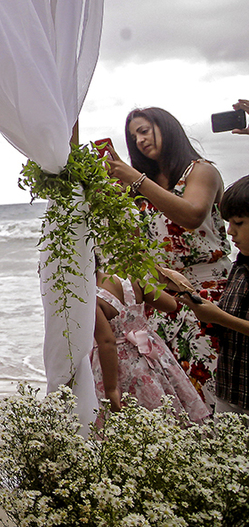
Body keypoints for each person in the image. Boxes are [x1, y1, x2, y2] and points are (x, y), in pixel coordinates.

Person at [105, 106, 230, 406]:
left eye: (144, 131)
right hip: (163, 302)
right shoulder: (142, 187)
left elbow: (192, 215)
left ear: (167, 128)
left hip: (209, 295)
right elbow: (135, 248)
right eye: (134, 137)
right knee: (175, 397)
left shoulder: (201, 171)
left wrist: (138, 181)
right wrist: (115, 197)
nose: (139, 141)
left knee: (213, 390)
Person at [90, 270, 209, 423]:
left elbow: (107, 342)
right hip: (152, 351)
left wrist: (111, 389)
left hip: (117, 364)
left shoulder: (92, 298)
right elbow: (171, 305)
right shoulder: (130, 279)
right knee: (165, 401)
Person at [178, 175, 249, 415]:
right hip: (230, 389)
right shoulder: (239, 265)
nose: (230, 232)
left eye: (239, 223)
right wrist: (203, 309)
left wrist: (219, 317)